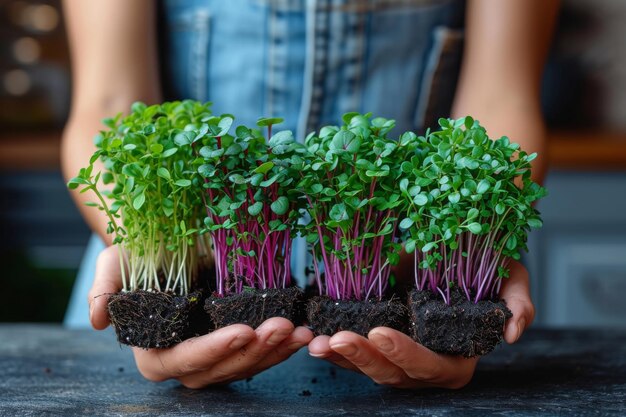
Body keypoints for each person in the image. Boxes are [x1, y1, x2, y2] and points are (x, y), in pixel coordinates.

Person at [62, 0, 558, 389]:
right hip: (174, 251)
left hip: (408, 254)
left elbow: (502, 103)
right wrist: (158, 248)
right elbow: (108, 107)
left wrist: (459, 254)